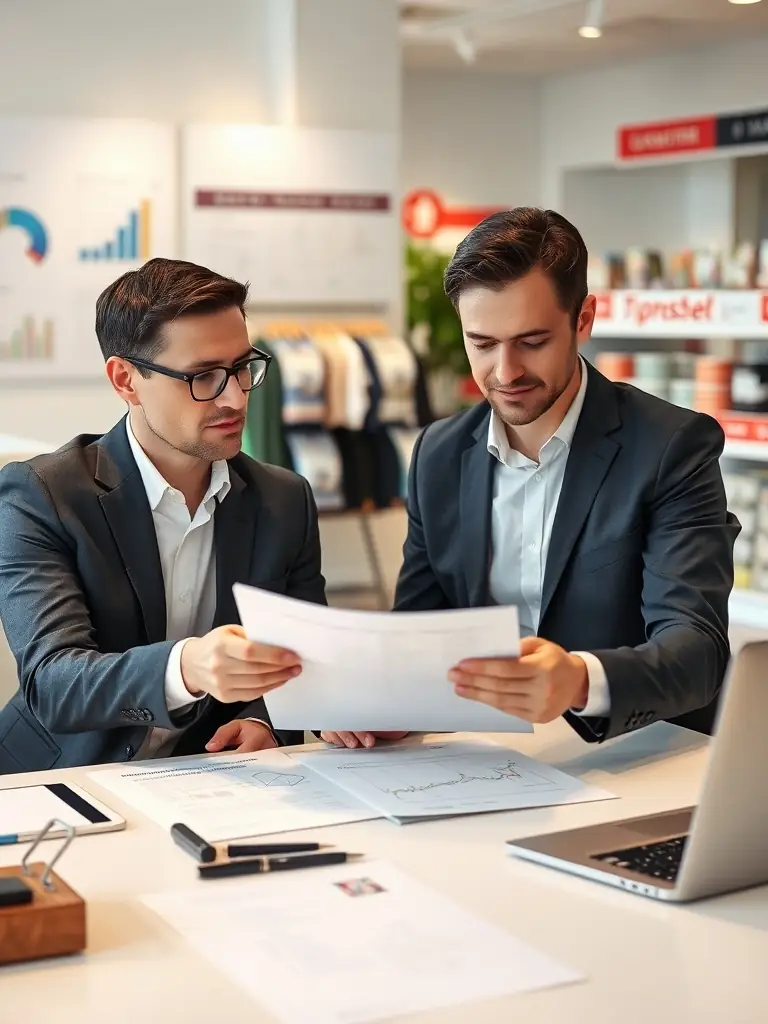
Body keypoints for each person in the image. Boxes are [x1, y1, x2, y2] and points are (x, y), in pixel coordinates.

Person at [330, 207, 739, 750]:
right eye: (482, 343)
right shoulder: (439, 453)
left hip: (634, 755)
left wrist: (576, 680)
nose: (505, 372)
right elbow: (421, 632)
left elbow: (697, 651)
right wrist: (386, 701)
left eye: (532, 341)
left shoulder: (671, 446)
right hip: (486, 758)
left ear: (584, 319)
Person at [0, 258, 327, 773]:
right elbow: (54, 683)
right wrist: (188, 666)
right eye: (203, 377)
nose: (236, 396)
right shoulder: (41, 495)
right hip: (57, 779)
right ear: (126, 379)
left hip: (209, 778)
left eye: (243, 368)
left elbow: (307, 655)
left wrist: (264, 719)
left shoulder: (284, 500)